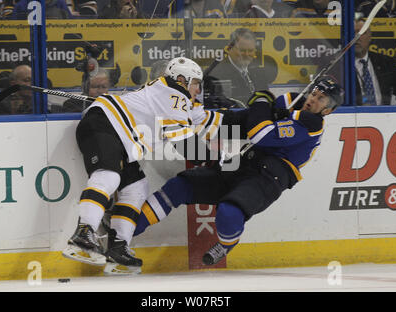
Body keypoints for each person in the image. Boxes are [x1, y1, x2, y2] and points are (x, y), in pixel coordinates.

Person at [133, 76, 344, 266]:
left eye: (322, 99)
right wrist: (200, 117)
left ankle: (226, 245)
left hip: (269, 178)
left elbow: (259, 133)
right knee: (179, 187)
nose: (313, 99)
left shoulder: (311, 125)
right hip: (245, 163)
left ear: (328, 110)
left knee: (228, 212)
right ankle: (125, 233)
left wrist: (262, 104)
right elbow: (243, 121)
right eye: (314, 93)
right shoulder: (292, 101)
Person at [62, 57, 225, 273]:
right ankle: (83, 233)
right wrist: (216, 160)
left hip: (120, 137)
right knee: (109, 176)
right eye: (195, 82)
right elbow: (186, 146)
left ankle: (118, 248)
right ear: (181, 79)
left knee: (137, 188)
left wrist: (255, 119)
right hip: (104, 123)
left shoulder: (179, 99)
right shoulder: (174, 94)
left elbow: (211, 120)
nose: (199, 88)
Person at [203, 28, 268, 108]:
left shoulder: (259, 72)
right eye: (242, 50)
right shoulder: (216, 74)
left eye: (250, 50)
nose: (246, 54)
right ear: (229, 49)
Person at [354, 18, 396, 105]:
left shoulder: (385, 62)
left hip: (384, 114)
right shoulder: (340, 66)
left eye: (362, 33)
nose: (357, 37)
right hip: (354, 116)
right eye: (353, 32)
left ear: (370, 37)